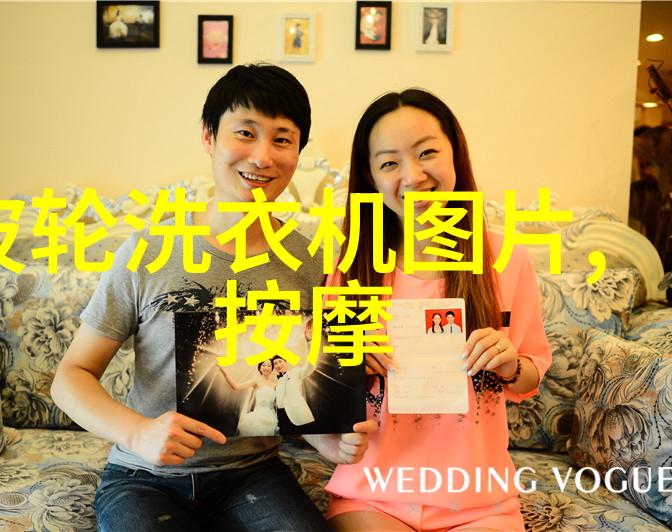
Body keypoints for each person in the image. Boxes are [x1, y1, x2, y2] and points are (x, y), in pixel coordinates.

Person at [51, 63, 376, 532]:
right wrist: (138, 433)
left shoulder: (315, 264)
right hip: (145, 477)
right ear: (208, 136)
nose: (262, 156)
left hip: (254, 473)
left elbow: (303, 384)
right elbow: (71, 376)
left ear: (297, 153)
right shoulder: (149, 252)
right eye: (245, 133)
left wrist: (329, 440)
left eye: (282, 140)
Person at [324, 89, 551, 532]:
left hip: (480, 500)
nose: (413, 175)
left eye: (427, 152)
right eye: (389, 163)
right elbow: (324, 389)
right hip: (373, 494)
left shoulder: (506, 261)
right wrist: (351, 361)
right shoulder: (352, 266)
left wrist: (509, 363)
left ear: (455, 154)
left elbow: (530, 378)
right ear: (370, 177)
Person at [218, 360, 279, 437]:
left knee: (269, 440)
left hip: (271, 417)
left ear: (272, 368)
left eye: (269, 365)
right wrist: (223, 371)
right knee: (257, 440)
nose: (266, 368)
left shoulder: (275, 383)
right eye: (263, 365)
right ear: (260, 368)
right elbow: (236, 386)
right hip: (258, 416)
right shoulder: (256, 380)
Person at [273, 355, 316, 433]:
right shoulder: (275, 380)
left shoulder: (295, 372)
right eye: (275, 363)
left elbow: (309, 366)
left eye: (280, 361)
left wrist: (311, 349)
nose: (278, 365)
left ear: (286, 362)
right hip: (281, 416)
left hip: (297, 414)